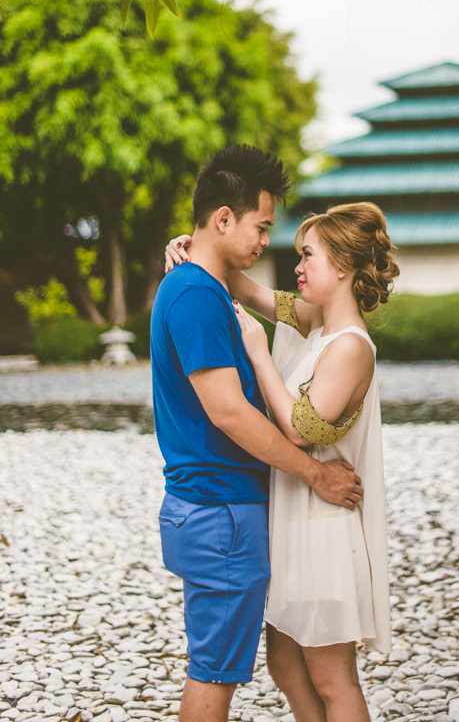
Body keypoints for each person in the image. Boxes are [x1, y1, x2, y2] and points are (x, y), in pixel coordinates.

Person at [165, 200, 399, 722]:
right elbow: (243, 287)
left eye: (307, 255)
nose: (296, 267)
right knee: (286, 668)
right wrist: (192, 247)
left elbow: (299, 427)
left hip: (324, 530)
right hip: (291, 521)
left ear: (341, 267)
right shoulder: (315, 321)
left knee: (331, 677)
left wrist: (258, 353)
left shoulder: (351, 346)